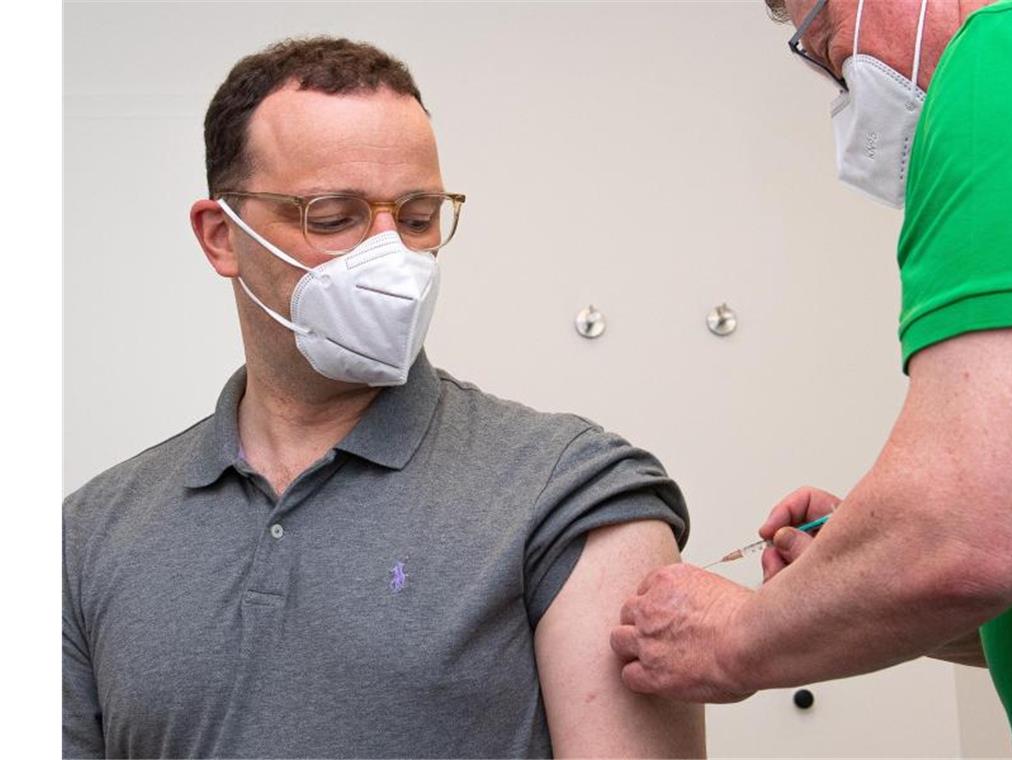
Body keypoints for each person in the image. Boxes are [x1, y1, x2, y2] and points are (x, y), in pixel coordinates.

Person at [63, 36, 705, 759]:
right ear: (222, 237)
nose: (391, 257)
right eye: (333, 217)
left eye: (418, 216)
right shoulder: (89, 537)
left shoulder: (572, 492)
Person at [610, 1, 1012, 757]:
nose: (835, 76)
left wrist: (731, 636)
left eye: (820, 38)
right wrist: (862, 573)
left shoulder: (1010, 51)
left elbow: (966, 541)